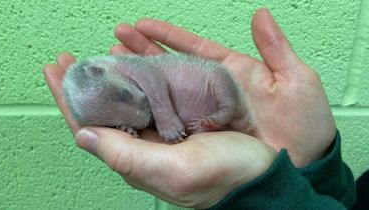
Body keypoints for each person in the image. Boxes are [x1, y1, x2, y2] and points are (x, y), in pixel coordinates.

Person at [43, 8, 358, 209]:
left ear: (100, 70)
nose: (139, 114)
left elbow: (152, 80)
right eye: (112, 122)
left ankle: (224, 115)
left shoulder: (120, 66)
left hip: (213, 95)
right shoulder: (111, 91)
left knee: (221, 85)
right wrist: (314, 165)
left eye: (125, 98)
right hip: (204, 124)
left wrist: (164, 116)